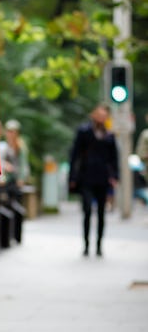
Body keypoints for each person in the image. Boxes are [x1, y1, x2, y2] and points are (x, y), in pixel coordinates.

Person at [69, 103, 119, 256]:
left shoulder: (109, 135)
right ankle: (86, 245)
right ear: (94, 115)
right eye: (99, 114)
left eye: (104, 115)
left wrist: (114, 177)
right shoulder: (84, 131)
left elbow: (114, 158)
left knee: (102, 213)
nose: (101, 117)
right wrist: (72, 177)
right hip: (86, 177)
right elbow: (74, 155)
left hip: (102, 178)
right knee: (88, 210)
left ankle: (98, 245)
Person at [0, 119, 30, 201]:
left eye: (13, 131)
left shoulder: (20, 147)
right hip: (5, 180)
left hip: (16, 180)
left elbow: (23, 164)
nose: (10, 134)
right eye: (9, 131)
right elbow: (0, 160)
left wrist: (21, 178)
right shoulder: (3, 145)